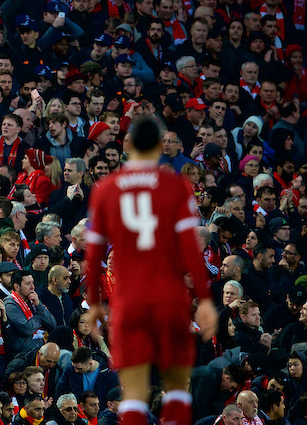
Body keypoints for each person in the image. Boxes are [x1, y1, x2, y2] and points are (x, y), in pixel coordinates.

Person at [83, 116, 218, 425]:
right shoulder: (176, 186)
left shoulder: (106, 189)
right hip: (170, 300)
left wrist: (94, 303)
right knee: (177, 389)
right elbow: (191, 251)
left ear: (128, 145)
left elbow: (94, 257)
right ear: (160, 146)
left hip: (129, 303)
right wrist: (205, 299)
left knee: (133, 395)